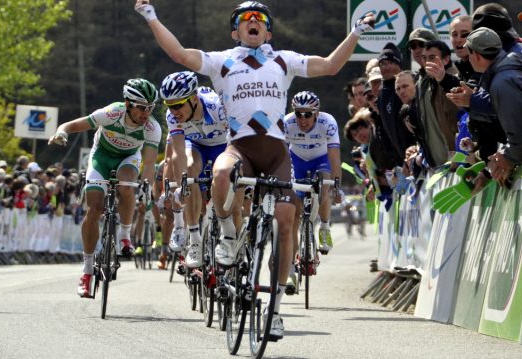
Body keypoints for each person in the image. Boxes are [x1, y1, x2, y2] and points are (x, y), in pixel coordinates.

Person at [135, 0, 374, 340]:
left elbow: (332, 65)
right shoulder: (222, 62)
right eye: (244, 19)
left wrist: (356, 32)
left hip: (277, 154)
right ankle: (229, 239)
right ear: (235, 32)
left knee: (287, 222)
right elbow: (180, 55)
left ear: (268, 31)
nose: (252, 21)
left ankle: (275, 312)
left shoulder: (284, 60)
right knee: (220, 175)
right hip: (241, 148)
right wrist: (151, 17)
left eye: (259, 18)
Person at [48, 78, 162, 298]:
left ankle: (124, 236)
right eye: (141, 107)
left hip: (128, 159)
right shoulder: (111, 114)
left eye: (150, 108)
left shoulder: (152, 128)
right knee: (94, 210)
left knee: (127, 184)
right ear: (128, 104)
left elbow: (148, 164)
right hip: (101, 157)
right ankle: (87, 271)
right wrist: (61, 132)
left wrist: (147, 188)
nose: (145, 113)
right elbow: (72, 125)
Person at [160, 71, 229, 268]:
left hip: (222, 145)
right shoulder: (173, 117)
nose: (174, 111)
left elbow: (237, 143)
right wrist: (183, 185)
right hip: (195, 145)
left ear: (194, 99)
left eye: (178, 105)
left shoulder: (218, 106)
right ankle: (195, 240)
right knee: (189, 170)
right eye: (169, 106)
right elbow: (177, 153)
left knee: (226, 175)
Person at [282, 91, 342, 293]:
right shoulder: (287, 123)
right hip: (296, 161)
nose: (302, 119)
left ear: (317, 113)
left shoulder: (328, 122)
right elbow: (281, 155)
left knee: (324, 182)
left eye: (308, 114)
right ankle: (290, 272)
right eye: (299, 113)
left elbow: (334, 156)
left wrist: (337, 185)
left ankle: (324, 226)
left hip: (321, 160)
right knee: (294, 216)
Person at [465, 27, 522, 187]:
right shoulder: (511, 69)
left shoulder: (502, 82)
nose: (468, 59)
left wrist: (507, 157)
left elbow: (521, 133)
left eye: (469, 54)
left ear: (476, 55)